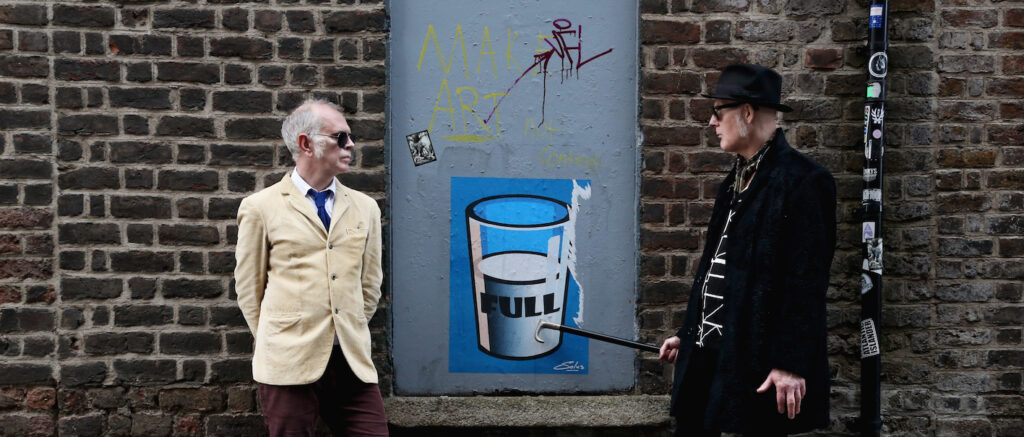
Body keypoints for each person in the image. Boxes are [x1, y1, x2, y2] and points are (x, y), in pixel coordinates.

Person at [658, 64, 836, 436]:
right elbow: (718, 268)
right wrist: (691, 333)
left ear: (747, 112)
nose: (712, 122)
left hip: (759, 366)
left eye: (718, 112)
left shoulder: (804, 181)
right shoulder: (735, 180)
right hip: (710, 355)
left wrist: (790, 363)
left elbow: (805, 283)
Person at [234, 98, 387, 436]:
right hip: (288, 364)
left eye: (351, 136)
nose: (351, 144)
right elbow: (248, 290)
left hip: (351, 362)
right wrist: (280, 339)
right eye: (340, 137)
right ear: (306, 144)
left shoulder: (365, 208)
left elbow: (370, 284)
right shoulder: (261, 207)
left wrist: (348, 324)